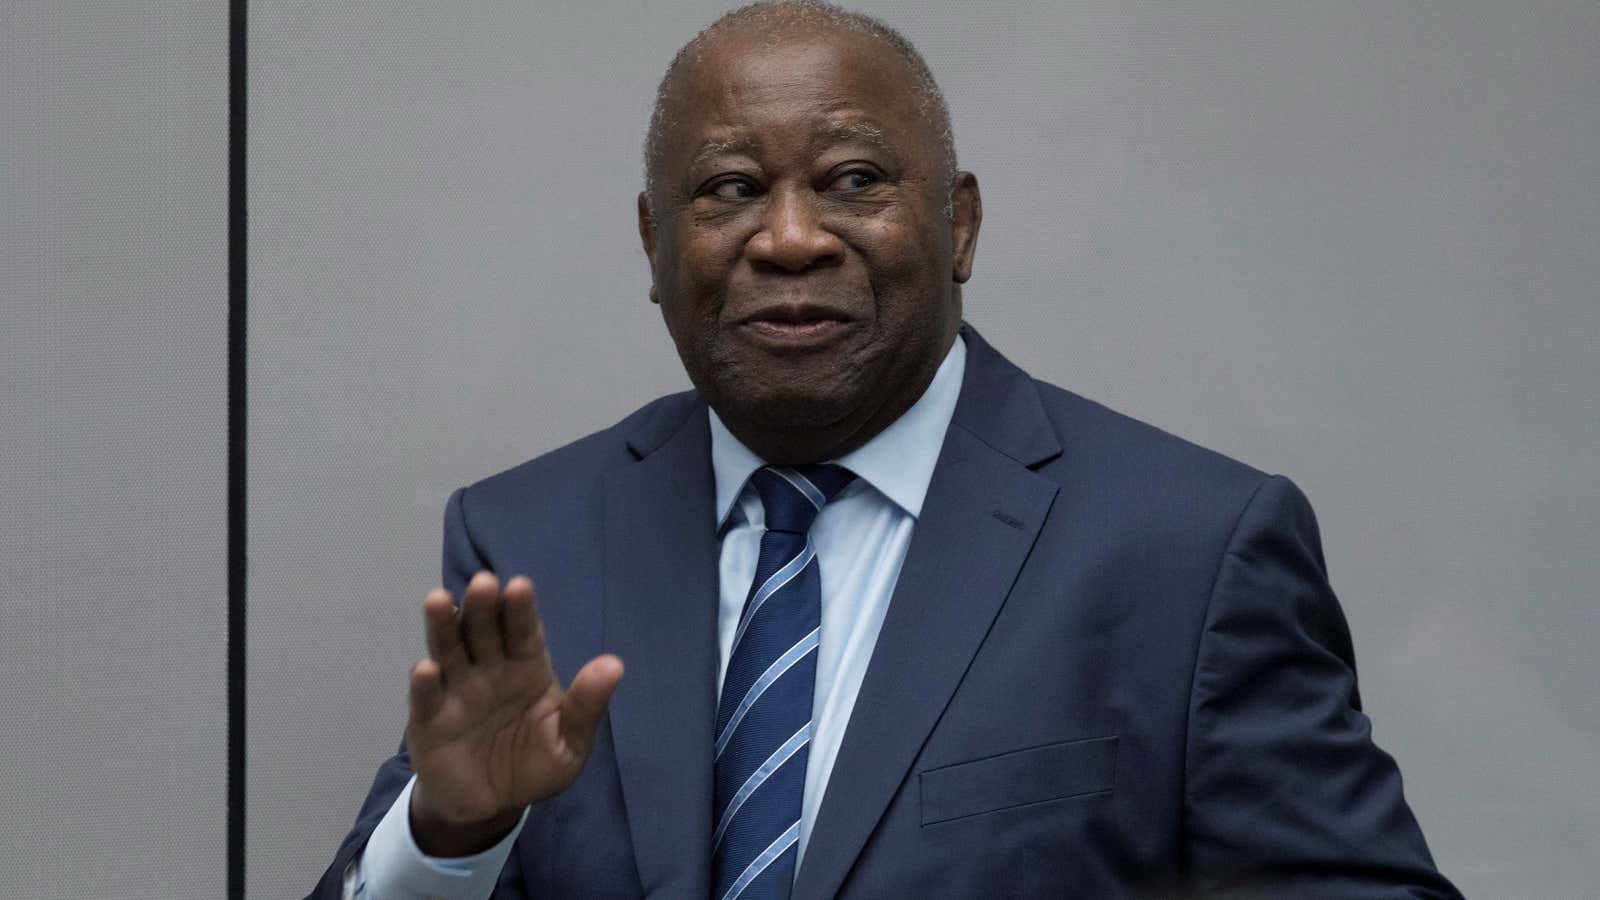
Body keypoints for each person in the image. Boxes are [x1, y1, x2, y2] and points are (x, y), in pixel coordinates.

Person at [311, 3, 1458, 898]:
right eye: (730, 189)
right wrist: (450, 836)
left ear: (957, 226)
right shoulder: (529, 542)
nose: (793, 237)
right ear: (656, 246)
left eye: (853, 180)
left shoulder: (1190, 550)